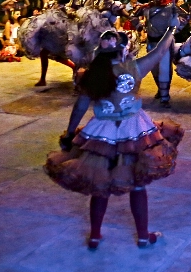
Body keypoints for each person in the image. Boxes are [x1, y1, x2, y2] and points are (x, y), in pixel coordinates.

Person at [46, 29, 181, 250]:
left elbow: (80, 106)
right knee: (138, 185)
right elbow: (159, 51)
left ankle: (95, 236)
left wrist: (70, 133)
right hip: (134, 131)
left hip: (101, 133)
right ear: (123, 50)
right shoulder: (133, 69)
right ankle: (144, 237)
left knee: (100, 186)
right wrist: (172, 29)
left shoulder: (92, 74)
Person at [138, 0, 186, 107]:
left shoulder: (172, 8)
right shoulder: (147, 8)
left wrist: (175, 27)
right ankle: (160, 89)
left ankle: (165, 97)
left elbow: (187, 17)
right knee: (154, 69)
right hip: (151, 43)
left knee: (165, 69)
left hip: (165, 43)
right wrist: (138, 25)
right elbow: (132, 15)